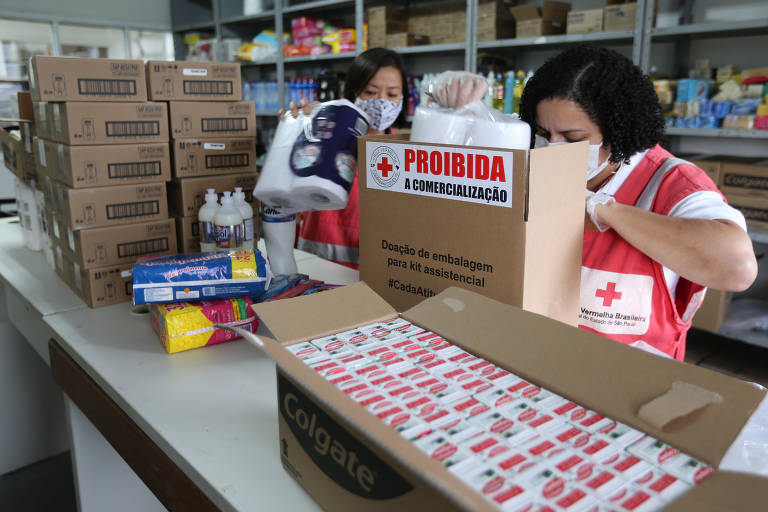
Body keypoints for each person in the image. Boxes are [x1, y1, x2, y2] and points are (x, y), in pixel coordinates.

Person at [516, 46, 757, 360]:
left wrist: (602, 207)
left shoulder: (671, 183)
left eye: (573, 139)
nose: (553, 147)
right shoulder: (537, 164)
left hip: (631, 378)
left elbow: (736, 269)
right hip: (545, 357)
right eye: (544, 133)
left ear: (619, 132)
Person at [291, 48, 409, 269]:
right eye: (370, 92)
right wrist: (295, 130)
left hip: (376, 285)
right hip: (315, 276)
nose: (382, 102)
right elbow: (287, 196)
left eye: (392, 95)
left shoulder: (406, 155)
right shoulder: (323, 141)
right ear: (352, 93)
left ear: (403, 98)